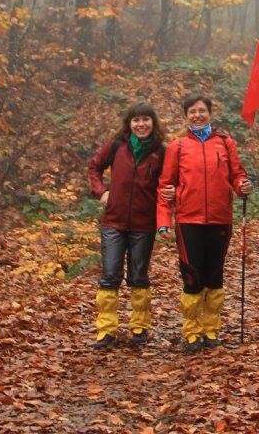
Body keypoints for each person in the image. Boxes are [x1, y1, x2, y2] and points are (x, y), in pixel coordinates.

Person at [158, 95, 253, 352]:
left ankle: (211, 329)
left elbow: (237, 175)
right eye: (192, 111)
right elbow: (166, 185)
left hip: (220, 218)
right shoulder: (177, 147)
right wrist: (164, 218)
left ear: (210, 113)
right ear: (186, 115)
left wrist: (243, 186)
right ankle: (191, 331)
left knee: (215, 274)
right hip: (189, 219)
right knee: (191, 275)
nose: (197, 115)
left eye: (202, 111)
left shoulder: (225, 143)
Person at [86, 102, 170, 349]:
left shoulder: (161, 152)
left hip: (144, 224)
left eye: (145, 119)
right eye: (136, 120)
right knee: (110, 275)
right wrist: (101, 191)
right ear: (129, 123)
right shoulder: (116, 145)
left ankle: (139, 328)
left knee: (138, 276)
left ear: (153, 122)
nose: (140, 124)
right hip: (114, 221)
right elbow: (94, 167)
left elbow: (168, 182)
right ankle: (106, 331)